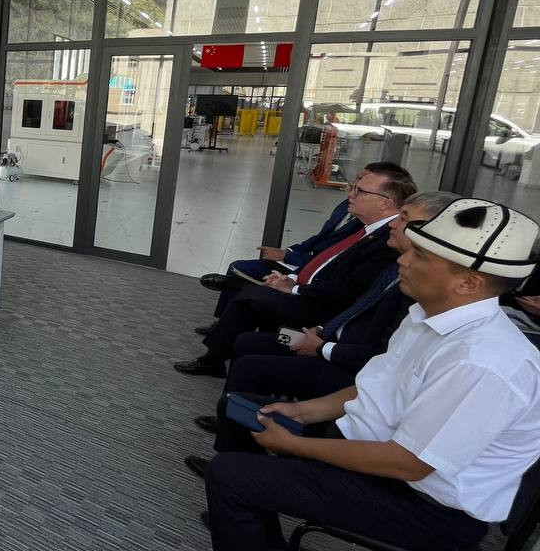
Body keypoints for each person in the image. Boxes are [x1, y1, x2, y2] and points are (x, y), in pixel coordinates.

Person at [204, 198, 540, 551]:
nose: (403, 260)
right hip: (367, 442)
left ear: (469, 283)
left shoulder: (482, 363)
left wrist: (296, 445)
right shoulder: (427, 317)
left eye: (420, 256)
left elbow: (409, 464)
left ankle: (246, 510)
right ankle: (250, 520)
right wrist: (302, 411)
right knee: (239, 409)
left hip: (420, 502)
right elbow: (376, 385)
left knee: (230, 477)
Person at [185, 191, 458, 472]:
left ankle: (238, 460)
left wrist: (320, 346)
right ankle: (234, 434)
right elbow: (353, 304)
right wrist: (320, 330)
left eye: (404, 218)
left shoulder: (416, 287)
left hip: (345, 361)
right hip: (331, 335)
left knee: (251, 344)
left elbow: (375, 346)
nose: (393, 223)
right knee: (248, 339)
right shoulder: (386, 256)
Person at [175, 168, 414, 377]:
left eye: (359, 191)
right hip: (311, 287)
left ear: (385, 202)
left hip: (323, 306)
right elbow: (324, 258)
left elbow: (348, 289)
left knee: (249, 298)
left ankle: (214, 358)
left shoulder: (385, 241)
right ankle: (221, 349)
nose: (351, 193)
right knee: (252, 296)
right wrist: (290, 278)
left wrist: (296, 288)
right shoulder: (366, 228)